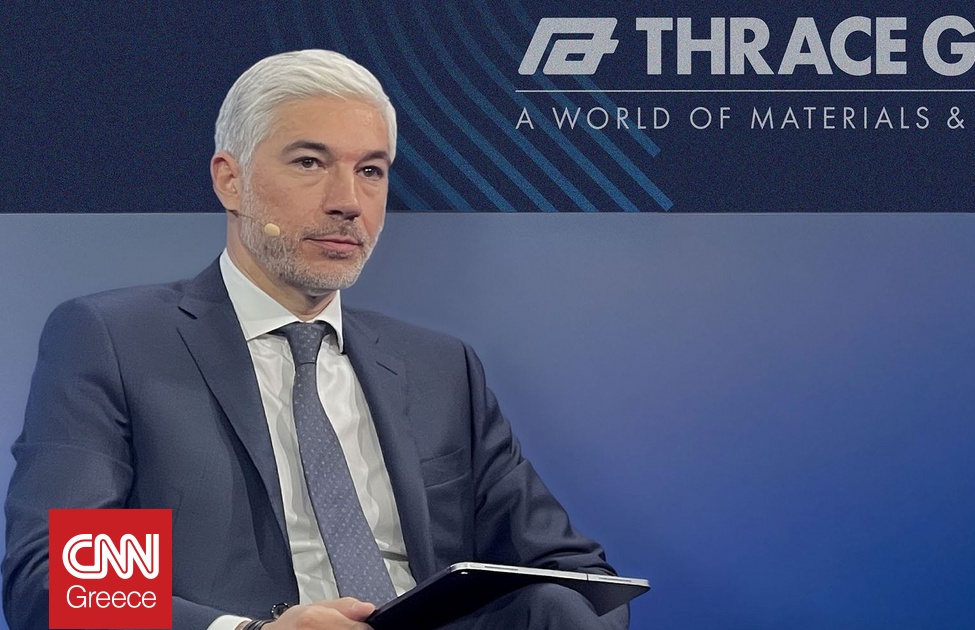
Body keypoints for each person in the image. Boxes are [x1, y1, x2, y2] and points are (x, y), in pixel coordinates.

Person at [2, 49, 629, 630]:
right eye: (310, 163)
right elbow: (57, 580)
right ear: (229, 180)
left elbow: (578, 575)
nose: (348, 202)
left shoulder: (440, 368)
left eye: (371, 171)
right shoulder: (121, 344)